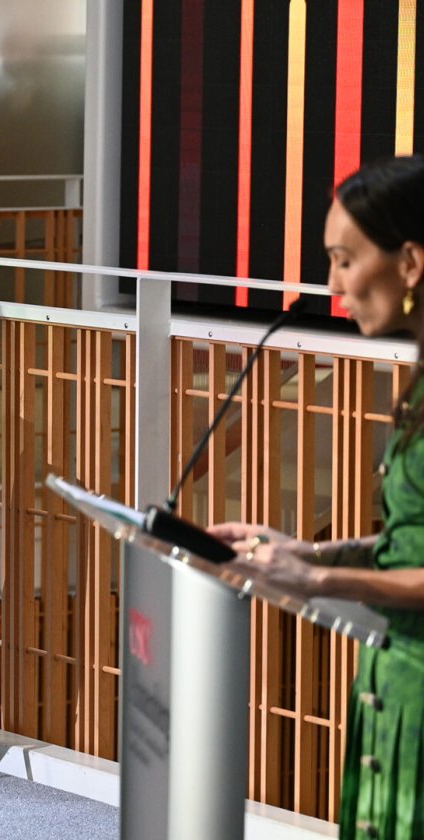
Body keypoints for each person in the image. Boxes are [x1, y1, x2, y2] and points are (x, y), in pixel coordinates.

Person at [208, 155, 424, 839]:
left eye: (343, 259)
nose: (332, 284)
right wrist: (311, 548)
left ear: (411, 262)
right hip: (396, 681)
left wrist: (319, 577)